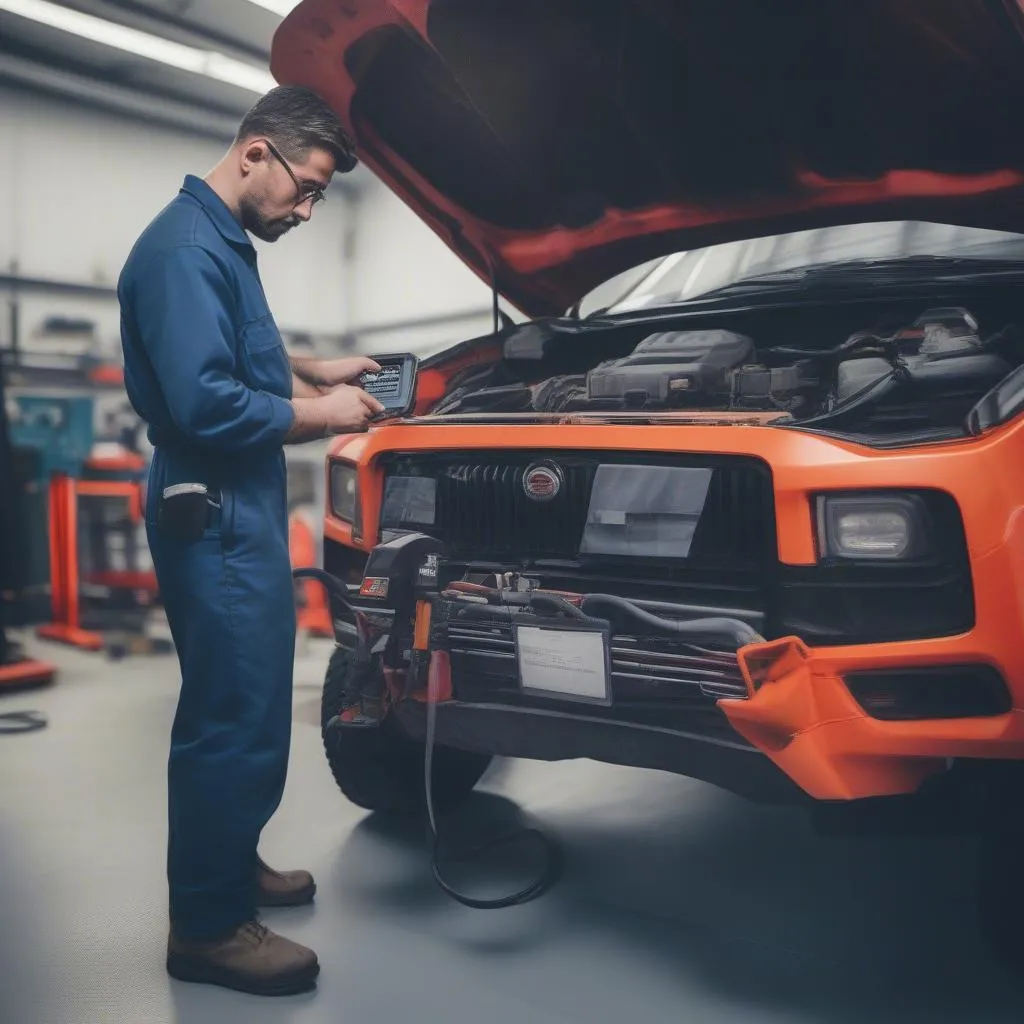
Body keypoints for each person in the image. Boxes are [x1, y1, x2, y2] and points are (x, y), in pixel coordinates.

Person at [117, 85, 384, 997]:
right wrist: (323, 412)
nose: (307, 211)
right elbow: (204, 399)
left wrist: (313, 367)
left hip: (235, 499)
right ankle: (207, 925)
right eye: (305, 188)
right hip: (219, 501)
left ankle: (227, 866)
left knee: (252, 698)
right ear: (257, 152)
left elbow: (236, 349)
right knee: (235, 710)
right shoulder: (189, 250)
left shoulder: (220, 240)